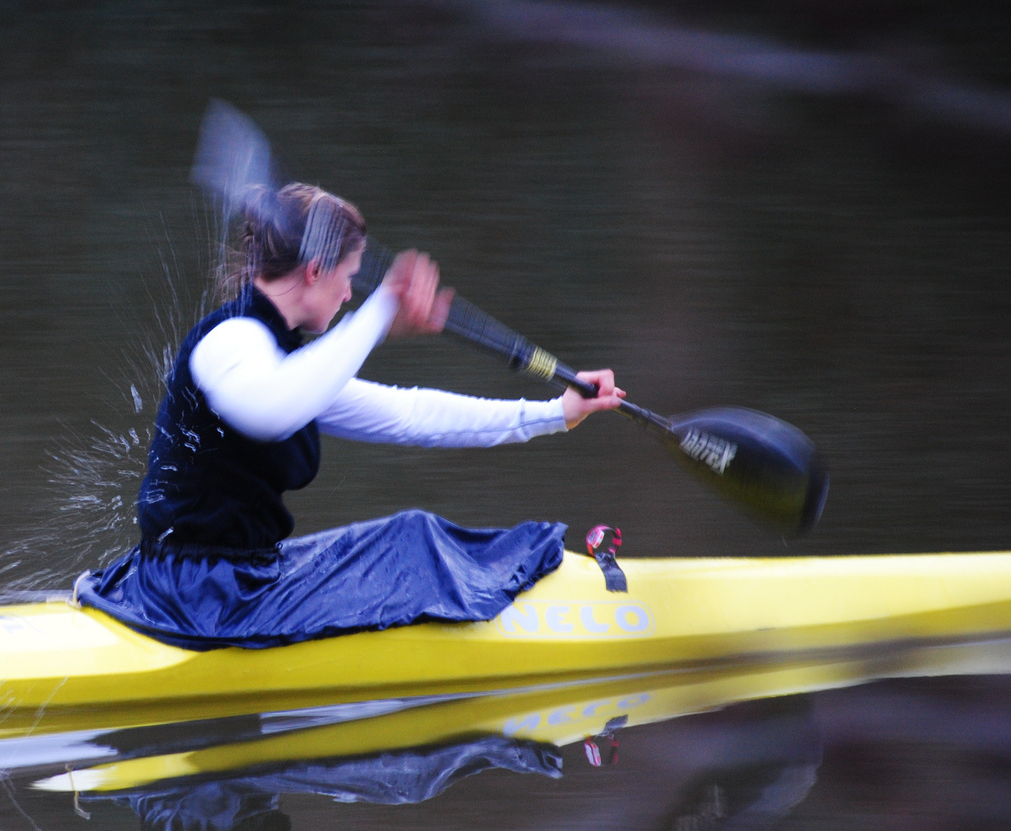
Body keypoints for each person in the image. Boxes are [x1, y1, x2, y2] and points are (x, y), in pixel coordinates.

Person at [76, 183, 625, 649]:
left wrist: (555, 412)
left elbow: (410, 414)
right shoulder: (231, 343)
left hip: (230, 583)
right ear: (315, 271)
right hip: (199, 598)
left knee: (415, 531)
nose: (348, 294)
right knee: (415, 542)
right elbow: (273, 410)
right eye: (350, 277)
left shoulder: (289, 361)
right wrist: (381, 308)